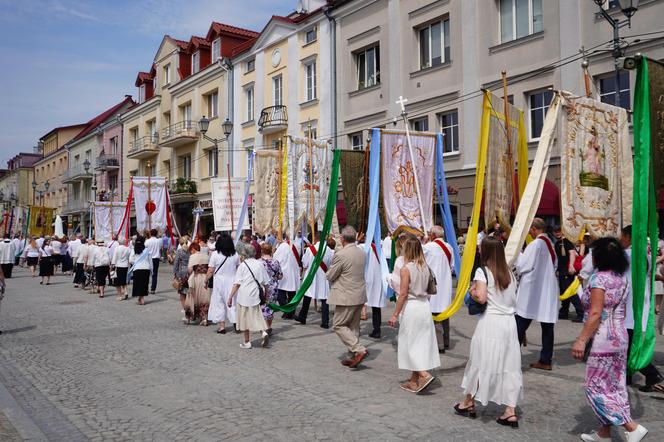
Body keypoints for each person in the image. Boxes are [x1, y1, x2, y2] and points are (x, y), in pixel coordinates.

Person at [572, 237, 648, 442]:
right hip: (620, 337)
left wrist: (581, 340)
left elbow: (596, 313)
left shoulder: (599, 280)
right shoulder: (621, 278)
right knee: (613, 385)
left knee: (594, 386)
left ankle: (631, 427)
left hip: (602, 339)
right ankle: (603, 433)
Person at [455, 237, 522, 427]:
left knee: (480, 361)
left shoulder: (482, 271)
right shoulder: (509, 271)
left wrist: (472, 290)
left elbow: (482, 298)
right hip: (509, 324)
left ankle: (468, 402)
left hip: (490, 323)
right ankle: (510, 410)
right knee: (509, 366)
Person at [387, 236, 439, 393]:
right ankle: (414, 380)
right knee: (420, 342)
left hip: (412, 307)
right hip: (424, 306)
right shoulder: (425, 267)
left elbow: (402, 294)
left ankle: (423, 374)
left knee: (410, 343)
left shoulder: (406, 268)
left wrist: (395, 314)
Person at [619, 226, 664, 393]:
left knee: (630, 345)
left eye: (622, 236)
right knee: (629, 344)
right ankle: (628, 376)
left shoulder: (627, 255)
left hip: (630, 306)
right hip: (640, 305)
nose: (621, 240)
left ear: (628, 237)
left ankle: (653, 376)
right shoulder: (646, 255)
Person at [514, 218, 559, 371]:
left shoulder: (535, 244)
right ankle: (546, 359)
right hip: (547, 289)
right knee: (547, 327)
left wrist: (518, 256)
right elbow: (555, 264)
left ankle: (511, 358)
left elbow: (522, 266)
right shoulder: (550, 244)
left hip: (532, 290)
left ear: (534, 228)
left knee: (520, 323)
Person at [326, 226, 368, 368]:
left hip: (346, 295)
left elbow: (330, 275)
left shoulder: (341, 254)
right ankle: (353, 354)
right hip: (359, 293)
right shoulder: (362, 252)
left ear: (342, 239)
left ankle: (358, 349)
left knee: (338, 324)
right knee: (354, 326)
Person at [227, 241, 270, 348]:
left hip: (244, 294)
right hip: (255, 293)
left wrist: (230, 297)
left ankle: (247, 342)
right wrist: (266, 296)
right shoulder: (259, 264)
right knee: (257, 315)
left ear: (245, 254)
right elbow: (266, 283)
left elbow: (237, 284)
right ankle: (263, 332)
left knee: (245, 318)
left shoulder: (242, 265)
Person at [423, 226, 455, 352]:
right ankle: (446, 341)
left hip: (434, 284)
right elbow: (451, 266)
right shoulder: (449, 247)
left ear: (433, 235)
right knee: (444, 313)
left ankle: (439, 345)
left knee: (434, 313)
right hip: (445, 283)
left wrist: (424, 242)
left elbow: (419, 259)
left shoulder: (429, 247)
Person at [294, 233, 334, 328]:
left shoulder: (310, 249)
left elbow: (305, 264)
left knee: (307, 296)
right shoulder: (328, 250)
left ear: (315, 239)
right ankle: (325, 322)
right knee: (324, 298)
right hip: (323, 275)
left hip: (311, 275)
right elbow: (331, 263)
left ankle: (302, 317)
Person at [207, 233, 240, 334]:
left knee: (219, 302)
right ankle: (236, 323)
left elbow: (211, 270)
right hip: (232, 280)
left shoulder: (215, 254)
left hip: (219, 281)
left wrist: (206, 280)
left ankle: (222, 327)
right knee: (232, 303)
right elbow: (239, 268)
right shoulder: (235, 254)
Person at [554, 226, 583, 321]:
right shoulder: (558, 243)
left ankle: (581, 312)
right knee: (564, 291)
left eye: (559, 231)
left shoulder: (566, 241)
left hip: (567, 270)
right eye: (555, 231)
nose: (557, 233)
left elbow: (572, 253)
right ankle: (564, 312)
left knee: (570, 292)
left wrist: (571, 266)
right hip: (562, 270)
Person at [273, 234, 302, 319]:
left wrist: (275, 248)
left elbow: (276, 259)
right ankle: (290, 311)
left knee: (280, 293)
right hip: (293, 272)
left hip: (284, 272)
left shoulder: (283, 246)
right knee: (292, 293)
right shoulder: (297, 245)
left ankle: (287, 311)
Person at [185, 242, 211, 324]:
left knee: (192, 297)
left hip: (196, 278)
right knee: (204, 298)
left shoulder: (193, 257)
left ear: (193, 249)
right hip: (205, 278)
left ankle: (190, 317)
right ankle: (204, 318)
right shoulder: (206, 256)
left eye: (191, 250)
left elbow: (189, 270)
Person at [260, 242, 282, 334]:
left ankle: (263, 327)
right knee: (271, 307)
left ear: (262, 251)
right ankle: (269, 326)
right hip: (273, 287)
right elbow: (280, 276)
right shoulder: (275, 262)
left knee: (262, 307)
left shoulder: (259, 262)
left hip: (262, 288)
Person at [129, 236, 152, 305]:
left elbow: (130, 260)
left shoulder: (134, 250)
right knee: (144, 284)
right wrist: (152, 269)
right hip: (146, 268)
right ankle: (141, 298)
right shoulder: (147, 250)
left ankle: (141, 298)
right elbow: (150, 261)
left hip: (137, 269)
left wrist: (136, 262)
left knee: (138, 284)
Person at [172, 237, 191, 318]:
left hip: (181, 272)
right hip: (190, 272)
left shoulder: (179, 251)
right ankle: (190, 308)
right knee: (188, 291)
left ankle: (185, 310)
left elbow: (176, 263)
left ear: (180, 243)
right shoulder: (190, 251)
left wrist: (174, 274)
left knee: (182, 293)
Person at [144, 229, 162, 294]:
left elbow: (144, 248)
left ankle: (146, 288)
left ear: (150, 234)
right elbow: (160, 248)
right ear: (156, 234)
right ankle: (153, 289)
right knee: (155, 274)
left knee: (147, 274)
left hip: (149, 258)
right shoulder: (159, 241)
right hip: (156, 258)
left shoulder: (147, 241)